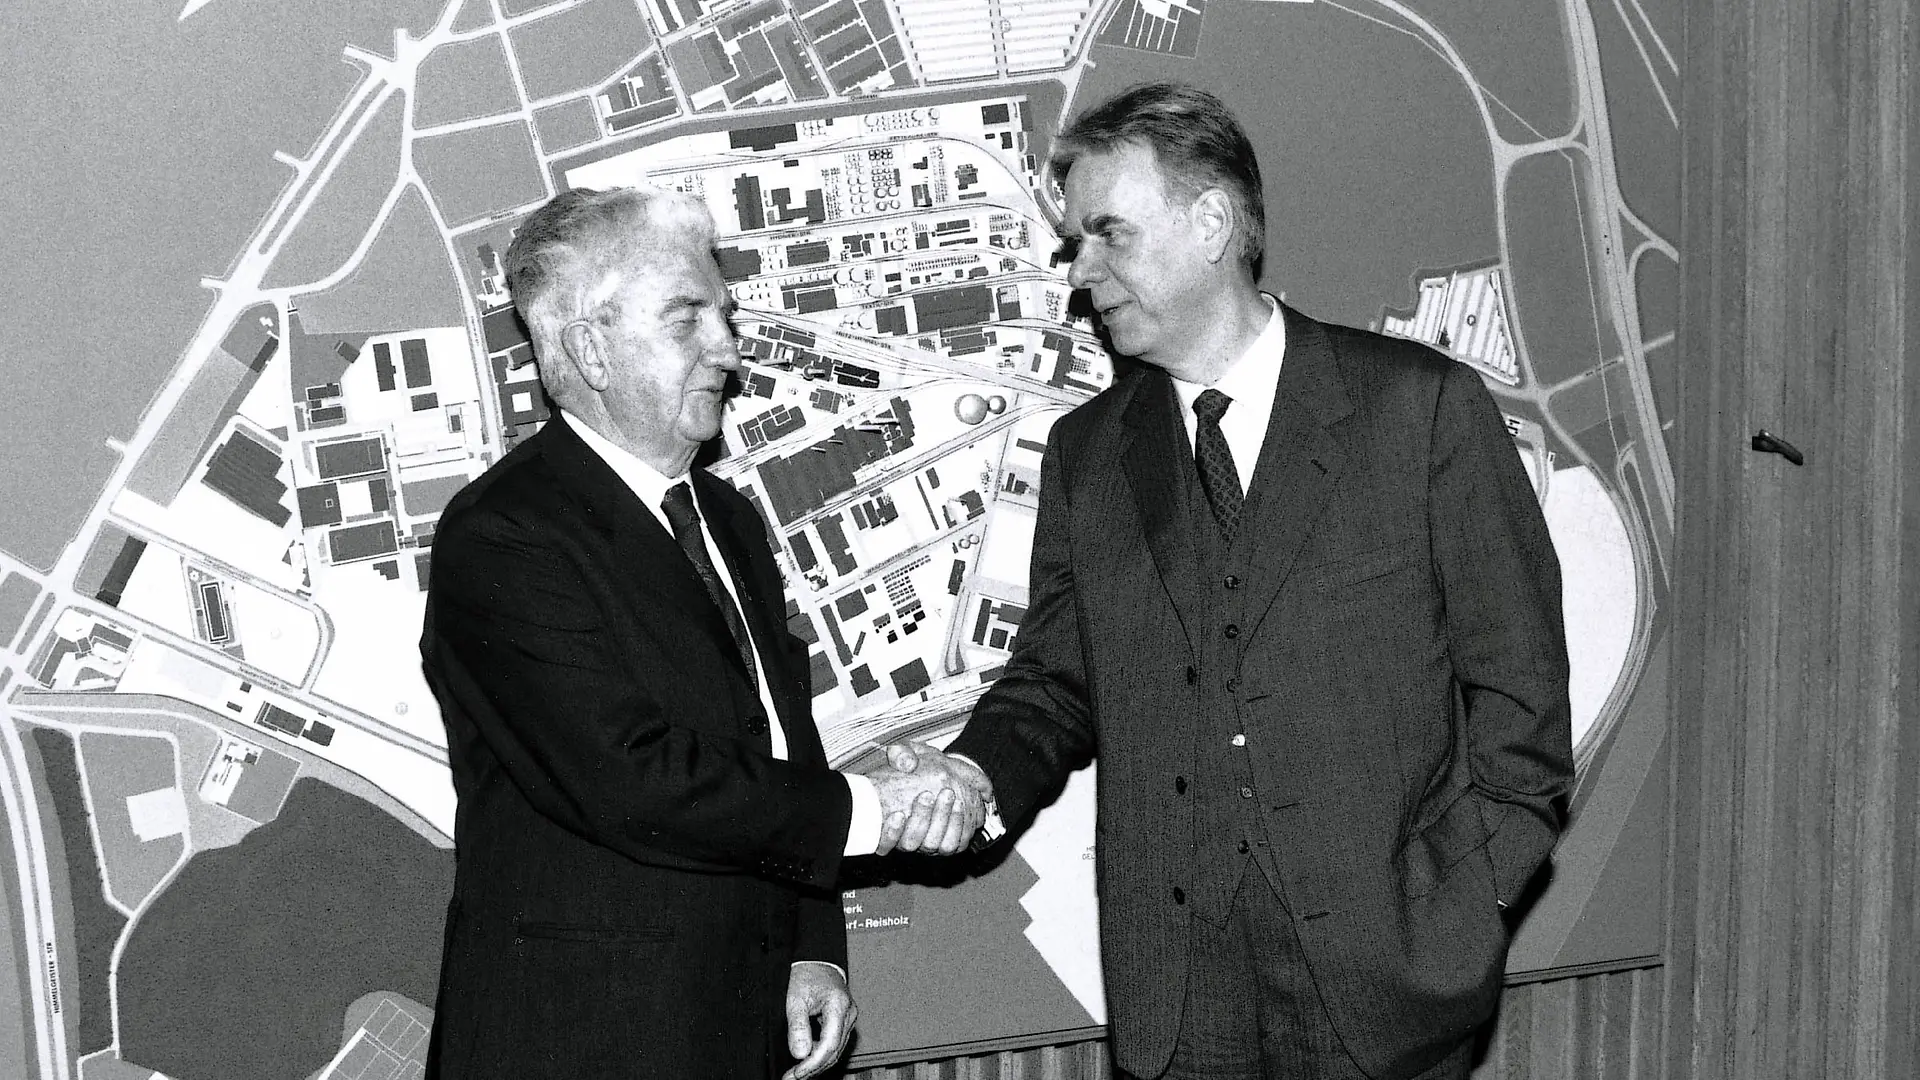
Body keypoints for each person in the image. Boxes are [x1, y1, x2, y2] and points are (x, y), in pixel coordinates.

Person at [899, 83, 1575, 1080]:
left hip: (1389, 1004)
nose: (1081, 272)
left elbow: (1522, 707)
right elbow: (1054, 684)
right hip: (1178, 1010)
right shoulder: (1091, 454)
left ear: (1210, 222)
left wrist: (1459, 917)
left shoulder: (1417, 413)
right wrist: (975, 776)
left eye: (1106, 234)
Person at [419, 186, 985, 1079]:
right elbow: (631, 778)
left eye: (723, 314)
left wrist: (810, 942)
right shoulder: (504, 537)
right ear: (590, 349)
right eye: (688, 319)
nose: (728, 348)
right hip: (582, 1040)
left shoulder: (724, 515)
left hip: (740, 1023)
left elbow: (778, 743)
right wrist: (876, 811)